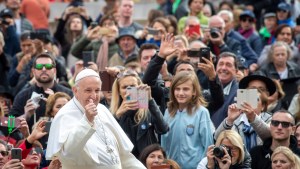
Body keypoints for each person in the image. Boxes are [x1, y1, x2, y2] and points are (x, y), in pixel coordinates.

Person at [46, 68, 146, 169]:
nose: (93, 96)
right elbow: (68, 153)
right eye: (88, 90)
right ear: (75, 91)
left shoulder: (102, 109)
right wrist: (87, 120)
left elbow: (123, 156)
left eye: (97, 90)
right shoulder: (65, 115)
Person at [110, 69, 168, 157]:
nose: (129, 90)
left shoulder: (147, 108)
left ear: (139, 87)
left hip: (147, 161)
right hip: (126, 162)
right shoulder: (113, 113)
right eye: (125, 87)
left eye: (133, 86)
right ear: (119, 91)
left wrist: (150, 101)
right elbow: (107, 138)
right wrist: (117, 115)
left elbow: (163, 129)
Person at [161, 71, 214, 169]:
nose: (181, 93)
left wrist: (204, 166)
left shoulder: (202, 112)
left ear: (194, 91)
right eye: (177, 89)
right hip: (172, 166)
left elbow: (208, 144)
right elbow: (164, 143)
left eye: (185, 89)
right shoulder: (168, 112)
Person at [9, 52, 73, 130]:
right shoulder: (23, 95)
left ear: (55, 71)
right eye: (39, 66)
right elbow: (8, 125)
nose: (44, 69)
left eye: (48, 66)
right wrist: (26, 115)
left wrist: (57, 108)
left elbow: (76, 121)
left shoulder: (68, 94)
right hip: (31, 140)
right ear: (33, 71)